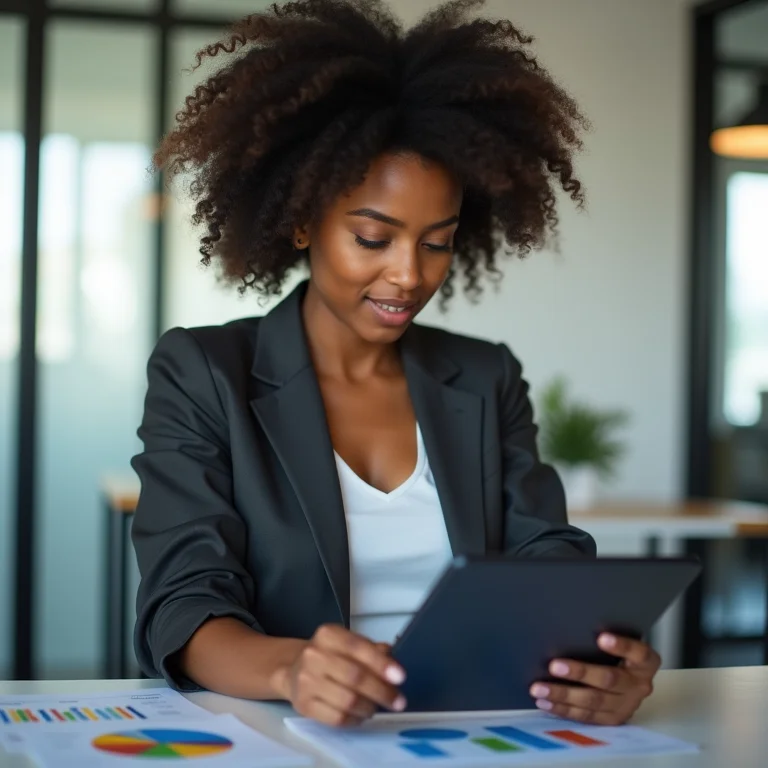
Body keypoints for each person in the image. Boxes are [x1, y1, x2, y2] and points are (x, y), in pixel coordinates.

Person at [132, 0, 660, 729]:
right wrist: (291, 668)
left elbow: (546, 553)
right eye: (373, 238)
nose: (409, 276)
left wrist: (599, 659)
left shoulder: (485, 377)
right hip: (290, 734)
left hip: (472, 728)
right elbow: (184, 602)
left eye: (436, 242)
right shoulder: (206, 372)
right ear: (299, 221)